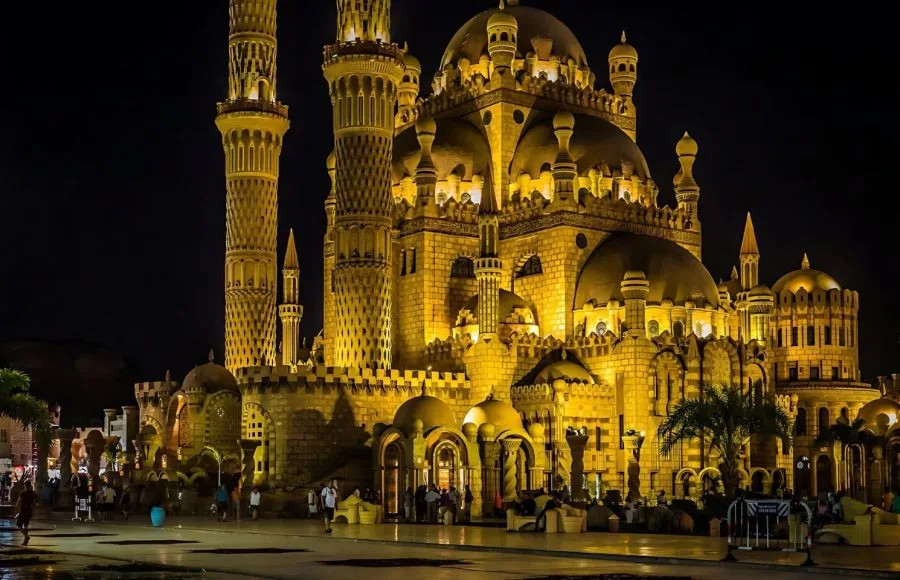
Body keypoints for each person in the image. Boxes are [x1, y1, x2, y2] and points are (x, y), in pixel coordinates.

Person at [15, 480, 38, 545]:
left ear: (25, 485)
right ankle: (25, 541)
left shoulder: (23, 492)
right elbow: (35, 501)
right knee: (26, 525)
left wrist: (16, 510)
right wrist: (33, 507)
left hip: (23, 511)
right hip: (29, 511)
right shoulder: (33, 492)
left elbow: (18, 502)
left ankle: (26, 536)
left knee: (19, 525)